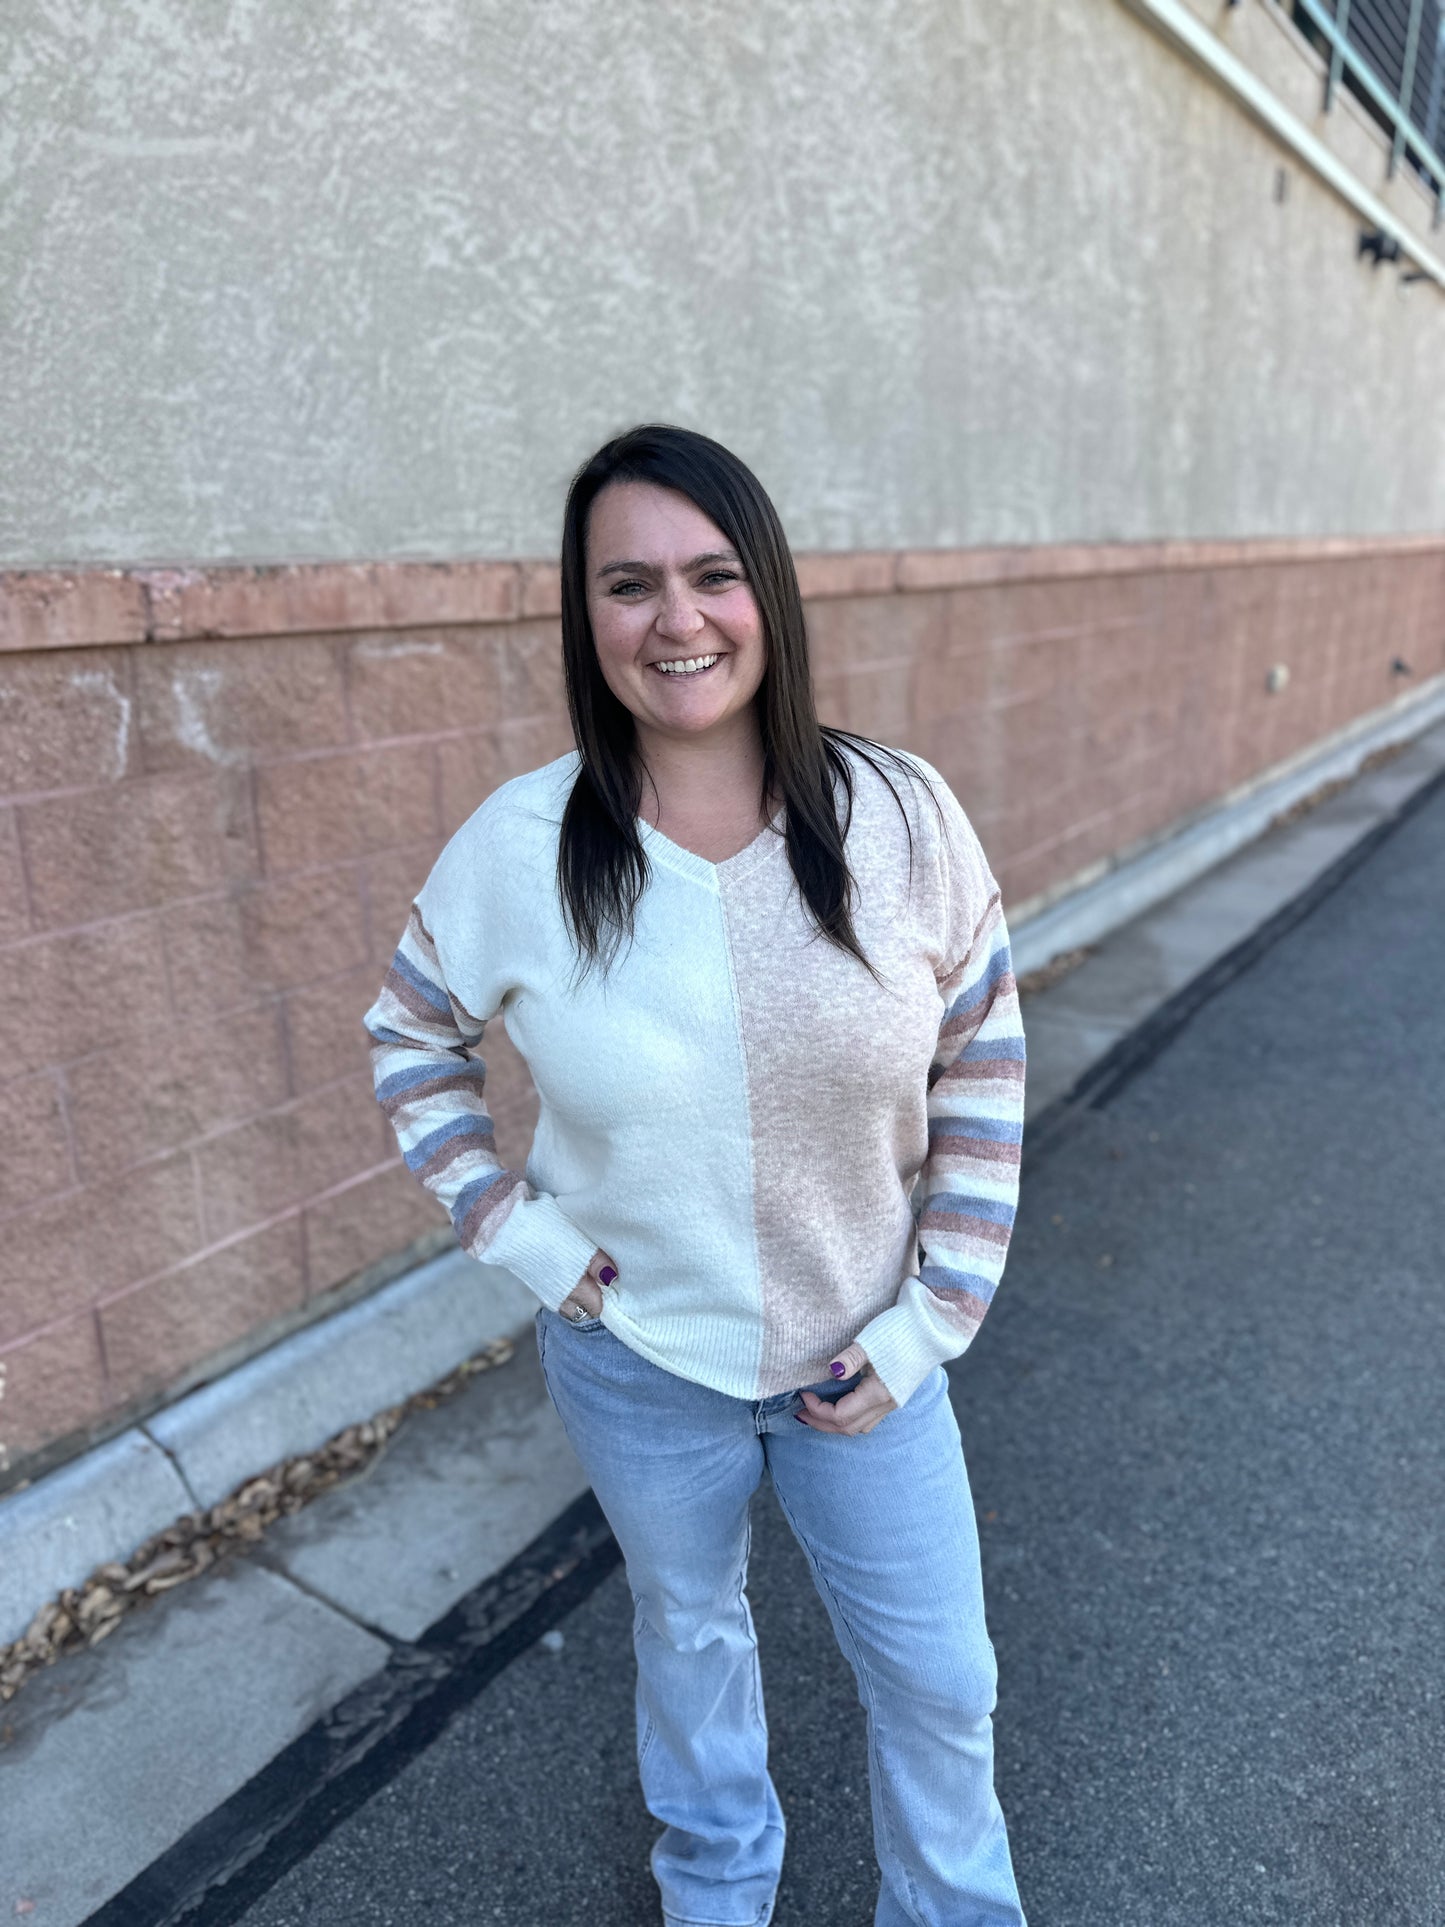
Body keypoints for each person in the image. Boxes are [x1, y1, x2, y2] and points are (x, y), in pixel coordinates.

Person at [363, 423, 1027, 1926]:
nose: (676, 620)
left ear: (767, 594)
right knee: (689, 1625)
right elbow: (409, 1030)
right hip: (638, 1357)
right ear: (582, 614)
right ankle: (718, 1884)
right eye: (628, 583)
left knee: (939, 1678)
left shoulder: (899, 817)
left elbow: (983, 1057)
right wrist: (518, 1235)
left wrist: (934, 1314)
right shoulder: (522, 847)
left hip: (868, 1351)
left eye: (713, 575)